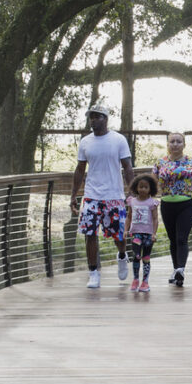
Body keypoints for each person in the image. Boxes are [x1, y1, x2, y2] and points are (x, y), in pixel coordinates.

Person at [71, 102, 133, 289]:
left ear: (105, 119)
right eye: (91, 117)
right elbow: (80, 169)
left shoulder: (118, 139)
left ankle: (122, 256)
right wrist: (73, 195)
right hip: (91, 196)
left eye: (97, 116)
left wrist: (133, 191)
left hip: (114, 195)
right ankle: (93, 272)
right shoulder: (85, 142)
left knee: (119, 236)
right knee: (89, 234)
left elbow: (127, 166)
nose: (93, 120)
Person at [154, 131, 192, 288]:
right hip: (167, 204)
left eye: (178, 141)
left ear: (184, 145)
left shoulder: (191, 162)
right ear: (167, 144)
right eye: (172, 141)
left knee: (181, 238)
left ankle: (181, 269)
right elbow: (152, 184)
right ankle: (176, 271)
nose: (175, 144)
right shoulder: (160, 163)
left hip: (187, 204)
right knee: (173, 239)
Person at [126, 173, 161, 292]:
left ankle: (145, 282)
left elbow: (156, 219)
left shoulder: (152, 203)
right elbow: (129, 217)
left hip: (148, 234)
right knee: (136, 256)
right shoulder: (132, 201)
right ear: (136, 187)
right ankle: (135, 279)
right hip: (136, 233)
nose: (143, 189)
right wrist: (126, 230)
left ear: (151, 189)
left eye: (146, 187)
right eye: (141, 186)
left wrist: (154, 233)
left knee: (146, 257)